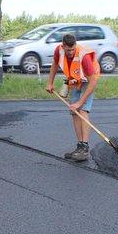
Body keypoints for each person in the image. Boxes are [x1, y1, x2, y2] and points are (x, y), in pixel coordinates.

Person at [45, 33, 101, 162]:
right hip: (75, 80)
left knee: (82, 110)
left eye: (72, 49)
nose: (70, 52)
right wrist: (50, 82)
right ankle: (80, 146)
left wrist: (80, 102)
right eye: (68, 50)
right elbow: (55, 64)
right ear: (63, 46)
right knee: (74, 112)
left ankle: (85, 149)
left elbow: (93, 83)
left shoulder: (84, 57)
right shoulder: (59, 50)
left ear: (75, 45)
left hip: (89, 80)